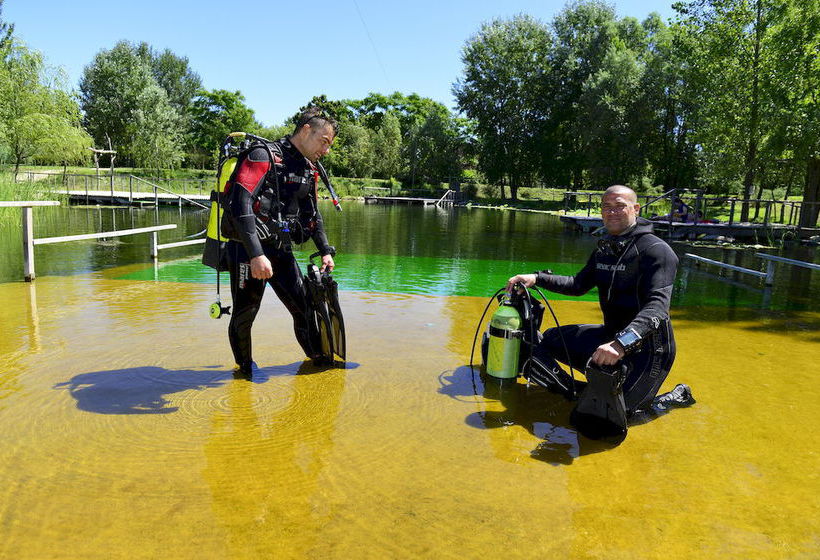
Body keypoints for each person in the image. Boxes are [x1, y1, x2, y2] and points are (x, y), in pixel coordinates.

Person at [506, 185, 693, 420]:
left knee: (619, 417)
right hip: (610, 336)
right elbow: (577, 285)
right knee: (550, 340)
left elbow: (657, 308)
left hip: (649, 349)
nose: (612, 212)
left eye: (619, 206)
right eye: (606, 207)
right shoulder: (605, 249)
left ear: (635, 209)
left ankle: (673, 398)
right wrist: (536, 278)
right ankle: (577, 392)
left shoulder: (657, 251)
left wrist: (621, 344)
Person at [222, 107, 338, 376]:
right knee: (245, 313)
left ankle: (318, 362)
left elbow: (312, 214)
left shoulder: (308, 169)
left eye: (330, 145)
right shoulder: (262, 155)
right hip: (247, 250)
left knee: (304, 307)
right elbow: (241, 203)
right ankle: (245, 370)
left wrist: (325, 250)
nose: (327, 150)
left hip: (280, 249)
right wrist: (255, 255)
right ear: (306, 130)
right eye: (324, 141)